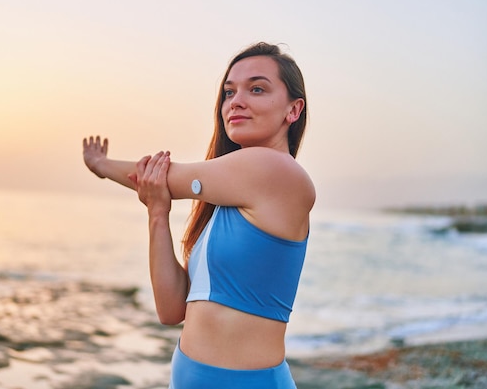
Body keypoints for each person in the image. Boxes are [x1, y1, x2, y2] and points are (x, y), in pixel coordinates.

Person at [83, 42, 314, 388]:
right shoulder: (227, 203)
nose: (236, 101)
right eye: (229, 92)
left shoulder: (277, 171)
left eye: (257, 88)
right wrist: (157, 213)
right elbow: (171, 310)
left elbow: (167, 177)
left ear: (293, 110)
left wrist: (102, 165)